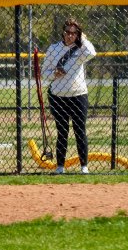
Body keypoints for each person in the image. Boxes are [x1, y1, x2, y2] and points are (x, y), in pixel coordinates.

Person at [42, 18, 97, 174]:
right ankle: (60, 166)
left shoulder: (81, 48)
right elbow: (44, 73)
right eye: (67, 32)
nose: (70, 35)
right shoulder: (53, 49)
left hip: (78, 95)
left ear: (78, 34)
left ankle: (84, 167)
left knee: (80, 131)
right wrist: (54, 74)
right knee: (62, 132)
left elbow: (92, 53)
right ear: (63, 32)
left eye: (74, 33)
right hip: (58, 96)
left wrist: (83, 39)